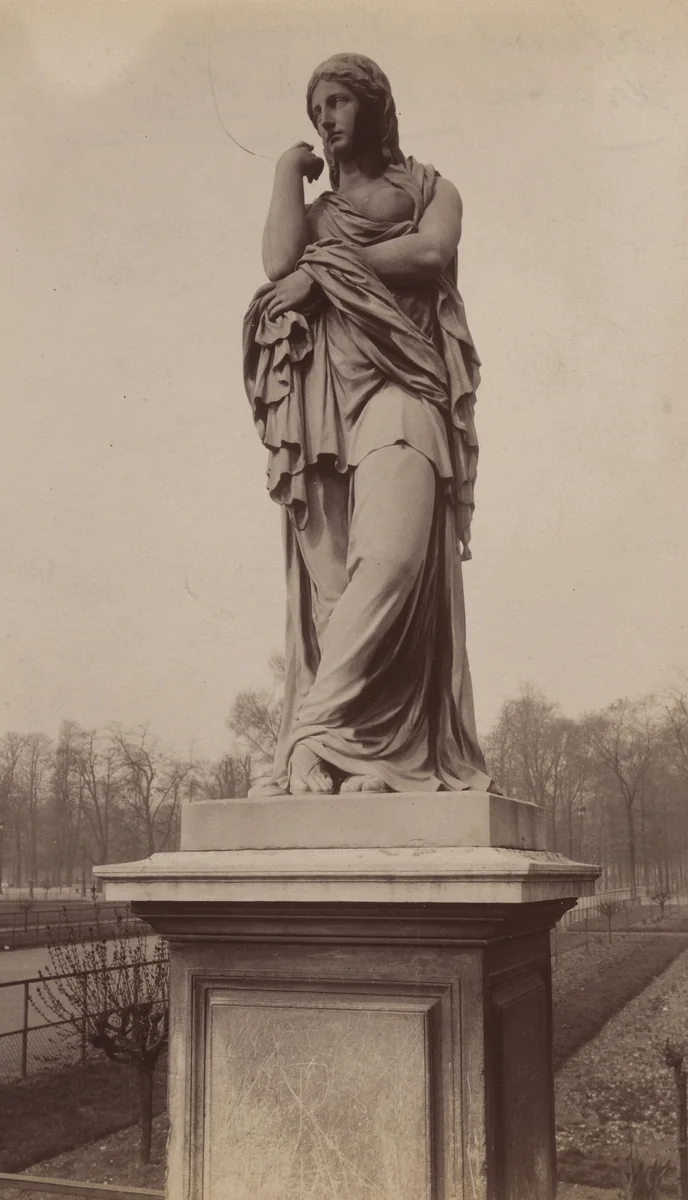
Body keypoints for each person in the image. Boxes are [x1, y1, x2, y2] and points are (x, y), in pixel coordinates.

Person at [243, 53, 494, 796]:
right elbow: (277, 262)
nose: (325, 118)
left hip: (401, 383)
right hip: (322, 402)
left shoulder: (427, 189)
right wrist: (286, 175)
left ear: (374, 108)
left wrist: (323, 274)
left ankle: (307, 739)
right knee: (334, 595)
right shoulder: (316, 214)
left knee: (388, 564)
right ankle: (367, 755)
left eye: (338, 102)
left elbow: (430, 251)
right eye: (316, 107)